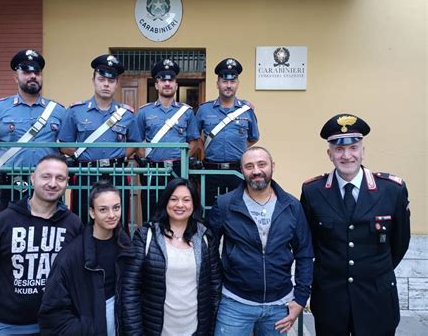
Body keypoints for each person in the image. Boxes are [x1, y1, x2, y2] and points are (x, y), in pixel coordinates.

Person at [300, 113, 411, 336]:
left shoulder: (392, 190)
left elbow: (400, 244)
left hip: (376, 298)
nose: (347, 155)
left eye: (353, 147)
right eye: (339, 149)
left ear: (363, 151)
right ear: (329, 154)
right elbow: (308, 244)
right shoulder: (313, 191)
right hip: (331, 299)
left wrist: (372, 272)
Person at [0, 154, 82, 336]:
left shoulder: (73, 224)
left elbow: (77, 272)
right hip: (12, 326)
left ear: (67, 182)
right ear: (32, 178)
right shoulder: (2, 222)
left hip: (59, 324)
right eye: (46, 176)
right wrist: (5, 297)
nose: (53, 183)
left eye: (60, 178)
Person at [208, 146, 313, 335]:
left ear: (272, 166)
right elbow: (209, 250)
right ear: (242, 170)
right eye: (249, 166)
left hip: (279, 306)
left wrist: (300, 299)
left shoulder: (291, 206)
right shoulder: (225, 205)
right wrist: (216, 286)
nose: (256, 171)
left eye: (261, 164)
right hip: (235, 304)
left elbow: (305, 253)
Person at [122, 178, 221, 336]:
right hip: (155, 330)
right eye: (173, 199)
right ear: (165, 202)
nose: (180, 205)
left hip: (195, 330)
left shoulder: (205, 238)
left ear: (194, 204)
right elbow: (130, 289)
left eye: (186, 200)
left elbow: (215, 287)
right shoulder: (146, 235)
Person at [0, 49, 66, 211]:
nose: (32, 76)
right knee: (11, 228)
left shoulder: (58, 110)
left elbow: (67, 144)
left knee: (50, 228)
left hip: (49, 181)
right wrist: (5, 158)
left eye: (37, 72)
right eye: (26, 72)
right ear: (16, 77)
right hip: (12, 180)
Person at [38, 180, 134, 335]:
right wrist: (86, 329)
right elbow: (52, 312)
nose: (111, 215)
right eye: (103, 209)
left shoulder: (127, 248)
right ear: (92, 212)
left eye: (116, 208)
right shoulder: (71, 255)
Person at [58, 54, 141, 227]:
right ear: (93, 80)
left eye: (111, 81)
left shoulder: (126, 114)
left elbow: (134, 142)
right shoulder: (75, 111)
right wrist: (86, 155)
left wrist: (116, 155)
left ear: (116, 83)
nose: (106, 84)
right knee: (82, 219)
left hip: (116, 172)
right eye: (101, 79)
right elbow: (65, 144)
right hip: (86, 173)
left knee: (118, 221)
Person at [136, 59, 200, 221]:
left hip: (177, 169)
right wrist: (147, 158)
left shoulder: (186, 112)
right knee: (152, 213)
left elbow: (194, 141)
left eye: (170, 80)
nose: (166, 83)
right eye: (162, 80)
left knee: (178, 213)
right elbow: (136, 141)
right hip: (153, 170)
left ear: (176, 85)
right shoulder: (144, 112)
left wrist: (183, 160)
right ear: (156, 85)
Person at [195, 58, 259, 213]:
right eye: (224, 81)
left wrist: (237, 147)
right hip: (210, 171)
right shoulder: (204, 110)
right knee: (210, 214)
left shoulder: (246, 110)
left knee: (237, 213)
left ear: (237, 83)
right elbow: (195, 137)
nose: (229, 85)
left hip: (237, 170)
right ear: (218, 83)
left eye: (233, 81)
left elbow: (253, 137)